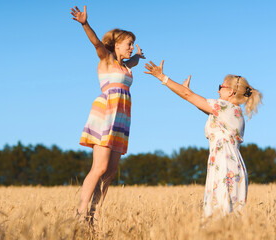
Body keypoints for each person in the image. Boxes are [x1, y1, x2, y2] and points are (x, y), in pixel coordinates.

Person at [144, 60, 262, 217]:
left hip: (224, 166)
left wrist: (162, 77)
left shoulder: (224, 108)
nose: (219, 90)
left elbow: (189, 96)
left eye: (221, 87)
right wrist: (185, 91)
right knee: (230, 218)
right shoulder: (233, 112)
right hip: (230, 165)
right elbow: (195, 101)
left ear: (231, 92)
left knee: (218, 217)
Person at [70, 5, 145, 223]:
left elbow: (131, 62)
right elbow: (95, 43)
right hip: (105, 113)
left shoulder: (125, 66)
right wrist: (85, 24)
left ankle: (92, 217)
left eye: (133, 44)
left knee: (110, 172)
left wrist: (138, 57)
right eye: (129, 44)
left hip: (121, 118)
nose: (131, 47)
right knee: (99, 167)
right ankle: (79, 215)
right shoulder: (106, 59)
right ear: (116, 44)